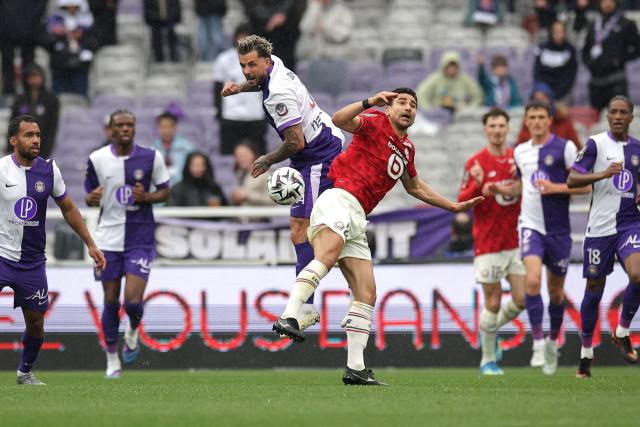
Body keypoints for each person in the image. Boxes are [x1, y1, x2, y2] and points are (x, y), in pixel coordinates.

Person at [272, 88, 483, 385]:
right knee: (327, 256)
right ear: (389, 107)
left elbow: (415, 187)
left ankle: (355, 368)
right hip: (339, 199)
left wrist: (452, 205)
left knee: (366, 292)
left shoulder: (407, 149)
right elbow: (339, 119)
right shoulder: (374, 120)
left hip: (358, 216)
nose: (408, 108)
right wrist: (370, 101)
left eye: (413, 104)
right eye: (401, 102)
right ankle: (290, 315)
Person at [222, 35, 344, 334]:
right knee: (304, 230)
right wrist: (239, 88)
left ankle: (307, 308)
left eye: (252, 65)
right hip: (317, 146)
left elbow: (295, 141)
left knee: (305, 230)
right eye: (242, 66)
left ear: (265, 60)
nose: (247, 71)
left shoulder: (278, 93)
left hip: (318, 157)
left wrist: (267, 160)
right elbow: (259, 81)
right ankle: (312, 298)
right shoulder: (274, 66)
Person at [2, 115, 106, 384]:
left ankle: (24, 372)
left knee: (36, 323)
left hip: (32, 262)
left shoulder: (49, 170)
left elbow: (68, 208)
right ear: (14, 140)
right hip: (1, 255)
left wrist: (91, 244)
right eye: (28, 135)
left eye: (37, 134)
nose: (36, 139)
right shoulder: (1, 170)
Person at [84, 109, 170, 379]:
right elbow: (89, 196)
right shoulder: (97, 159)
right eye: (119, 125)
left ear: (134, 128)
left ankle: (132, 330)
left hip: (140, 238)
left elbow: (166, 189)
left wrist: (146, 197)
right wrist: (92, 198)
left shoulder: (151, 157)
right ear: (110, 130)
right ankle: (112, 360)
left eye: (129, 125)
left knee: (132, 302)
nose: (125, 129)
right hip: (108, 238)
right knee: (110, 300)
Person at [508, 101, 589, 374]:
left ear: (549, 120)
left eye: (542, 117)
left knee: (556, 292)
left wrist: (555, 187)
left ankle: (554, 340)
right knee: (532, 280)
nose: (537, 121)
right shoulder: (519, 152)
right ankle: (538, 343)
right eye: (532, 117)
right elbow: (522, 184)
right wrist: (504, 188)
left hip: (559, 231)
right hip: (531, 226)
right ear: (527, 122)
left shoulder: (565, 147)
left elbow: (585, 186)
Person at [567, 95, 640, 378]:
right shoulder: (597, 144)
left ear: (631, 117)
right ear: (607, 116)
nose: (618, 116)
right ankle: (586, 351)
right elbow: (572, 179)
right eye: (613, 112)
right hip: (599, 228)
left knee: (637, 274)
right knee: (594, 290)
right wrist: (602, 174)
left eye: (624, 112)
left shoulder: (637, 149)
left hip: (629, 224)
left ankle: (622, 330)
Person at [458, 108, 525, 375]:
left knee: (522, 299)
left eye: (501, 126)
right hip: (487, 244)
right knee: (493, 303)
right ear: (485, 130)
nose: (497, 130)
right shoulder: (476, 162)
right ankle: (488, 359)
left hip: (517, 241)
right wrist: (477, 185)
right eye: (492, 126)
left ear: (507, 129)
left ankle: (490, 330)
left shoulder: (517, 160)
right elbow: (462, 202)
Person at [214, 24, 267, 155]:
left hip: (256, 115)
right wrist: (220, 113)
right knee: (229, 156)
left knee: (258, 159)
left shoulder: (263, 60)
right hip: (231, 116)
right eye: (241, 38)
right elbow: (217, 88)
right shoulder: (223, 59)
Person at [582, 0, 640, 112]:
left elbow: (637, 47)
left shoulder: (626, 23)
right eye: (604, 1)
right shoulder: (593, 24)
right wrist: (590, 63)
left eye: (611, 0)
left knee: (618, 116)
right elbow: (586, 49)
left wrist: (619, 60)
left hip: (616, 80)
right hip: (595, 81)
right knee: (597, 119)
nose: (607, 3)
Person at [46, 0, 96, 96]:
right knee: (60, 93)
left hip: (80, 65)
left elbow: (93, 41)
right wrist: (60, 35)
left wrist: (81, 37)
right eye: (68, 7)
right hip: (60, 64)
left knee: (79, 93)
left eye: (75, 7)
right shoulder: (55, 21)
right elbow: (48, 42)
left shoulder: (86, 22)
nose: (71, 9)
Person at [10, 65, 60, 159]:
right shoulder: (19, 100)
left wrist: (44, 152)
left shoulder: (51, 100)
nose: (34, 80)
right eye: (31, 77)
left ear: (42, 77)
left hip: (44, 147)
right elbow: (13, 124)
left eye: (37, 76)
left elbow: (52, 127)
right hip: (21, 148)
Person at [0, 0, 46, 97]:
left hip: (29, 30)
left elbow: (41, 6)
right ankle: (8, 93)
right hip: (6, 30)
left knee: (29, 65)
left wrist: (33, 21)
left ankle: (29, 93)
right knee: (7, 65)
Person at [516, 82, 581, 148]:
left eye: (544, 98)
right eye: (537, 99)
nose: (540, 102)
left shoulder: (563, 120)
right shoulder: (528, 122)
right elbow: (519, 147)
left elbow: (577, 149)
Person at [416, 50, 483, 112]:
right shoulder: (435, 78)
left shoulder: (465, 79)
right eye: (449, 66)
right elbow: (421, 94)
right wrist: (430, 110)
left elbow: (478, 95)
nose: (452, 69)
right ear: (444, 66)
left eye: (454, 66)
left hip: (459, 113)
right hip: (439, 112)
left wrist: (469, 109)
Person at [533, 20, 578, 102]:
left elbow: (570, 76)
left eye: (561, 31)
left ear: (565, 33)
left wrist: (554, 96)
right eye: (555, 31)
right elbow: (537, 72)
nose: (558, 35)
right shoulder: (542, 48)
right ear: (551, 32)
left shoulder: (570, 50)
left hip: (562, 92)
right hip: (543, 91)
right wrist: (544, 91)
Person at [151, 112, 194, 184]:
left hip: (181, 189)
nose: (165, 130)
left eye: (168, 127)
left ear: (175, 127)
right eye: (162, 127)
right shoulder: (153, 149)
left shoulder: (186, 148)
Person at [232, 142, 272, 206]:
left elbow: (271, 200)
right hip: (239, 215)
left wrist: (248, 195)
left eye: (244, 155)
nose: (241, 159)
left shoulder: (264, 174)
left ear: (254, 154)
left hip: (260, 215)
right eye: (238, 156)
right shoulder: (238, 174)